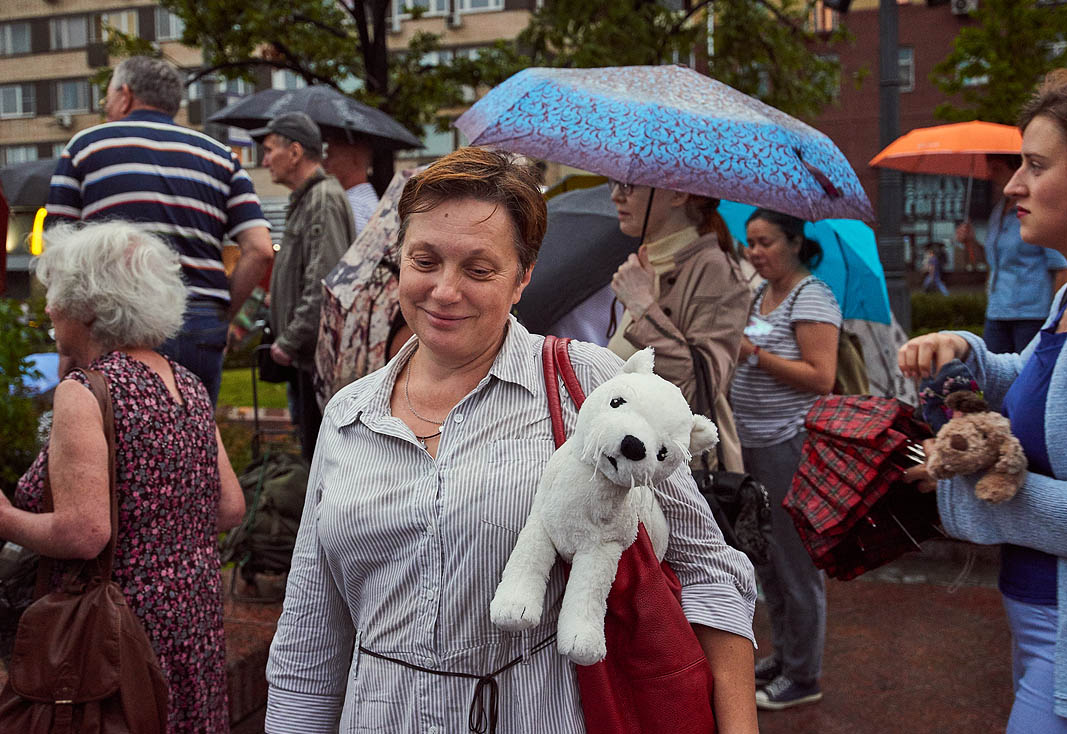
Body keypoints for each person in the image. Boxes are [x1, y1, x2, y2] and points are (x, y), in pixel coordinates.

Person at [264, 147, 759, 733]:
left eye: (479, 269)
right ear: (398, 258)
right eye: (425, 260)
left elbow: (709, 569)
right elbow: (309, 644)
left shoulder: (589, 385)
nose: (444, 291)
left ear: (523, 277)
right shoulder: (349, 416)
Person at [900, 69, 1067, 733]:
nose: (1013, 185)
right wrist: (966, 350)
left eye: (1035, 166)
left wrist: (971, 487)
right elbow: (1045, 384)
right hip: (1045, 627)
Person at [1, 221, 245, 732]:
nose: (48, 309)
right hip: (193, 619)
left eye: (57, 296)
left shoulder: (85, 391)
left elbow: (85, 533)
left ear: (89, 306)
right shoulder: (187, 383)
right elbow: (230, 508)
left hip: (117, 633)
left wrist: (5, 517)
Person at [45, 55, 274, 404]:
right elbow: (258, 249)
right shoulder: (223, 158)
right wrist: (220, 312)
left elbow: (58, 251)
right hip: (199, 316)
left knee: (112, 444)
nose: (107, 105)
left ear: (125, 94)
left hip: (111, 321)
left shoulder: (86, 147)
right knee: (193, 442)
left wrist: (66, 340)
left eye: (108, 96)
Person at [728, 208, 841, 711]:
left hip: (789, 443)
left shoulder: (811, 296)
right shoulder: (759, 292)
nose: (756, 252)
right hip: (752, 441)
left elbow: (822, 377)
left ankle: (805, 674)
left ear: (795, 242)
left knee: (796, 563)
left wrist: (753, 354)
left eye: (766, 242)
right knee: (766, 559)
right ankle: (784, 656)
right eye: (750, 242)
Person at [607, 181, 752, 471]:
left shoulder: (716, 270)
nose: (615, 195)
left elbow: (699, 390)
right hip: (635, 461)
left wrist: (642, 307)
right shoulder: (648, 259)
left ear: (679, 192)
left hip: (683, 471)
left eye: (629, 185)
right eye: (615, 183)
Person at [255, 112, 355, 462]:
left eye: (269, 150)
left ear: (295, 152)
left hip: (313, 364)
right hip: (305, 361)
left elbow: (324, 282)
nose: (265, 160)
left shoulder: (322, 198)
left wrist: (289, 340)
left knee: (318, 464)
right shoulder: (309, 198)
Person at [956, 153, 1067, 353]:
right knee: (993, 373)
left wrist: (1057, 317)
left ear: (1015, 169)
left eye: (997, 168)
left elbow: (1060, 266)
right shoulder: (998, 211)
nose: (990, 175)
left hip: (1031, 313)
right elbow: (992, 261)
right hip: (997, 310)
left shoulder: (1034, 211)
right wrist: (971, 241)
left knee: (1026, 376)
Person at [323, 133, 380, 235]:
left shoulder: (352, 208)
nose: (324, 163)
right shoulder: (368, 201)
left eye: (330, 155)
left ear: (354, 159)